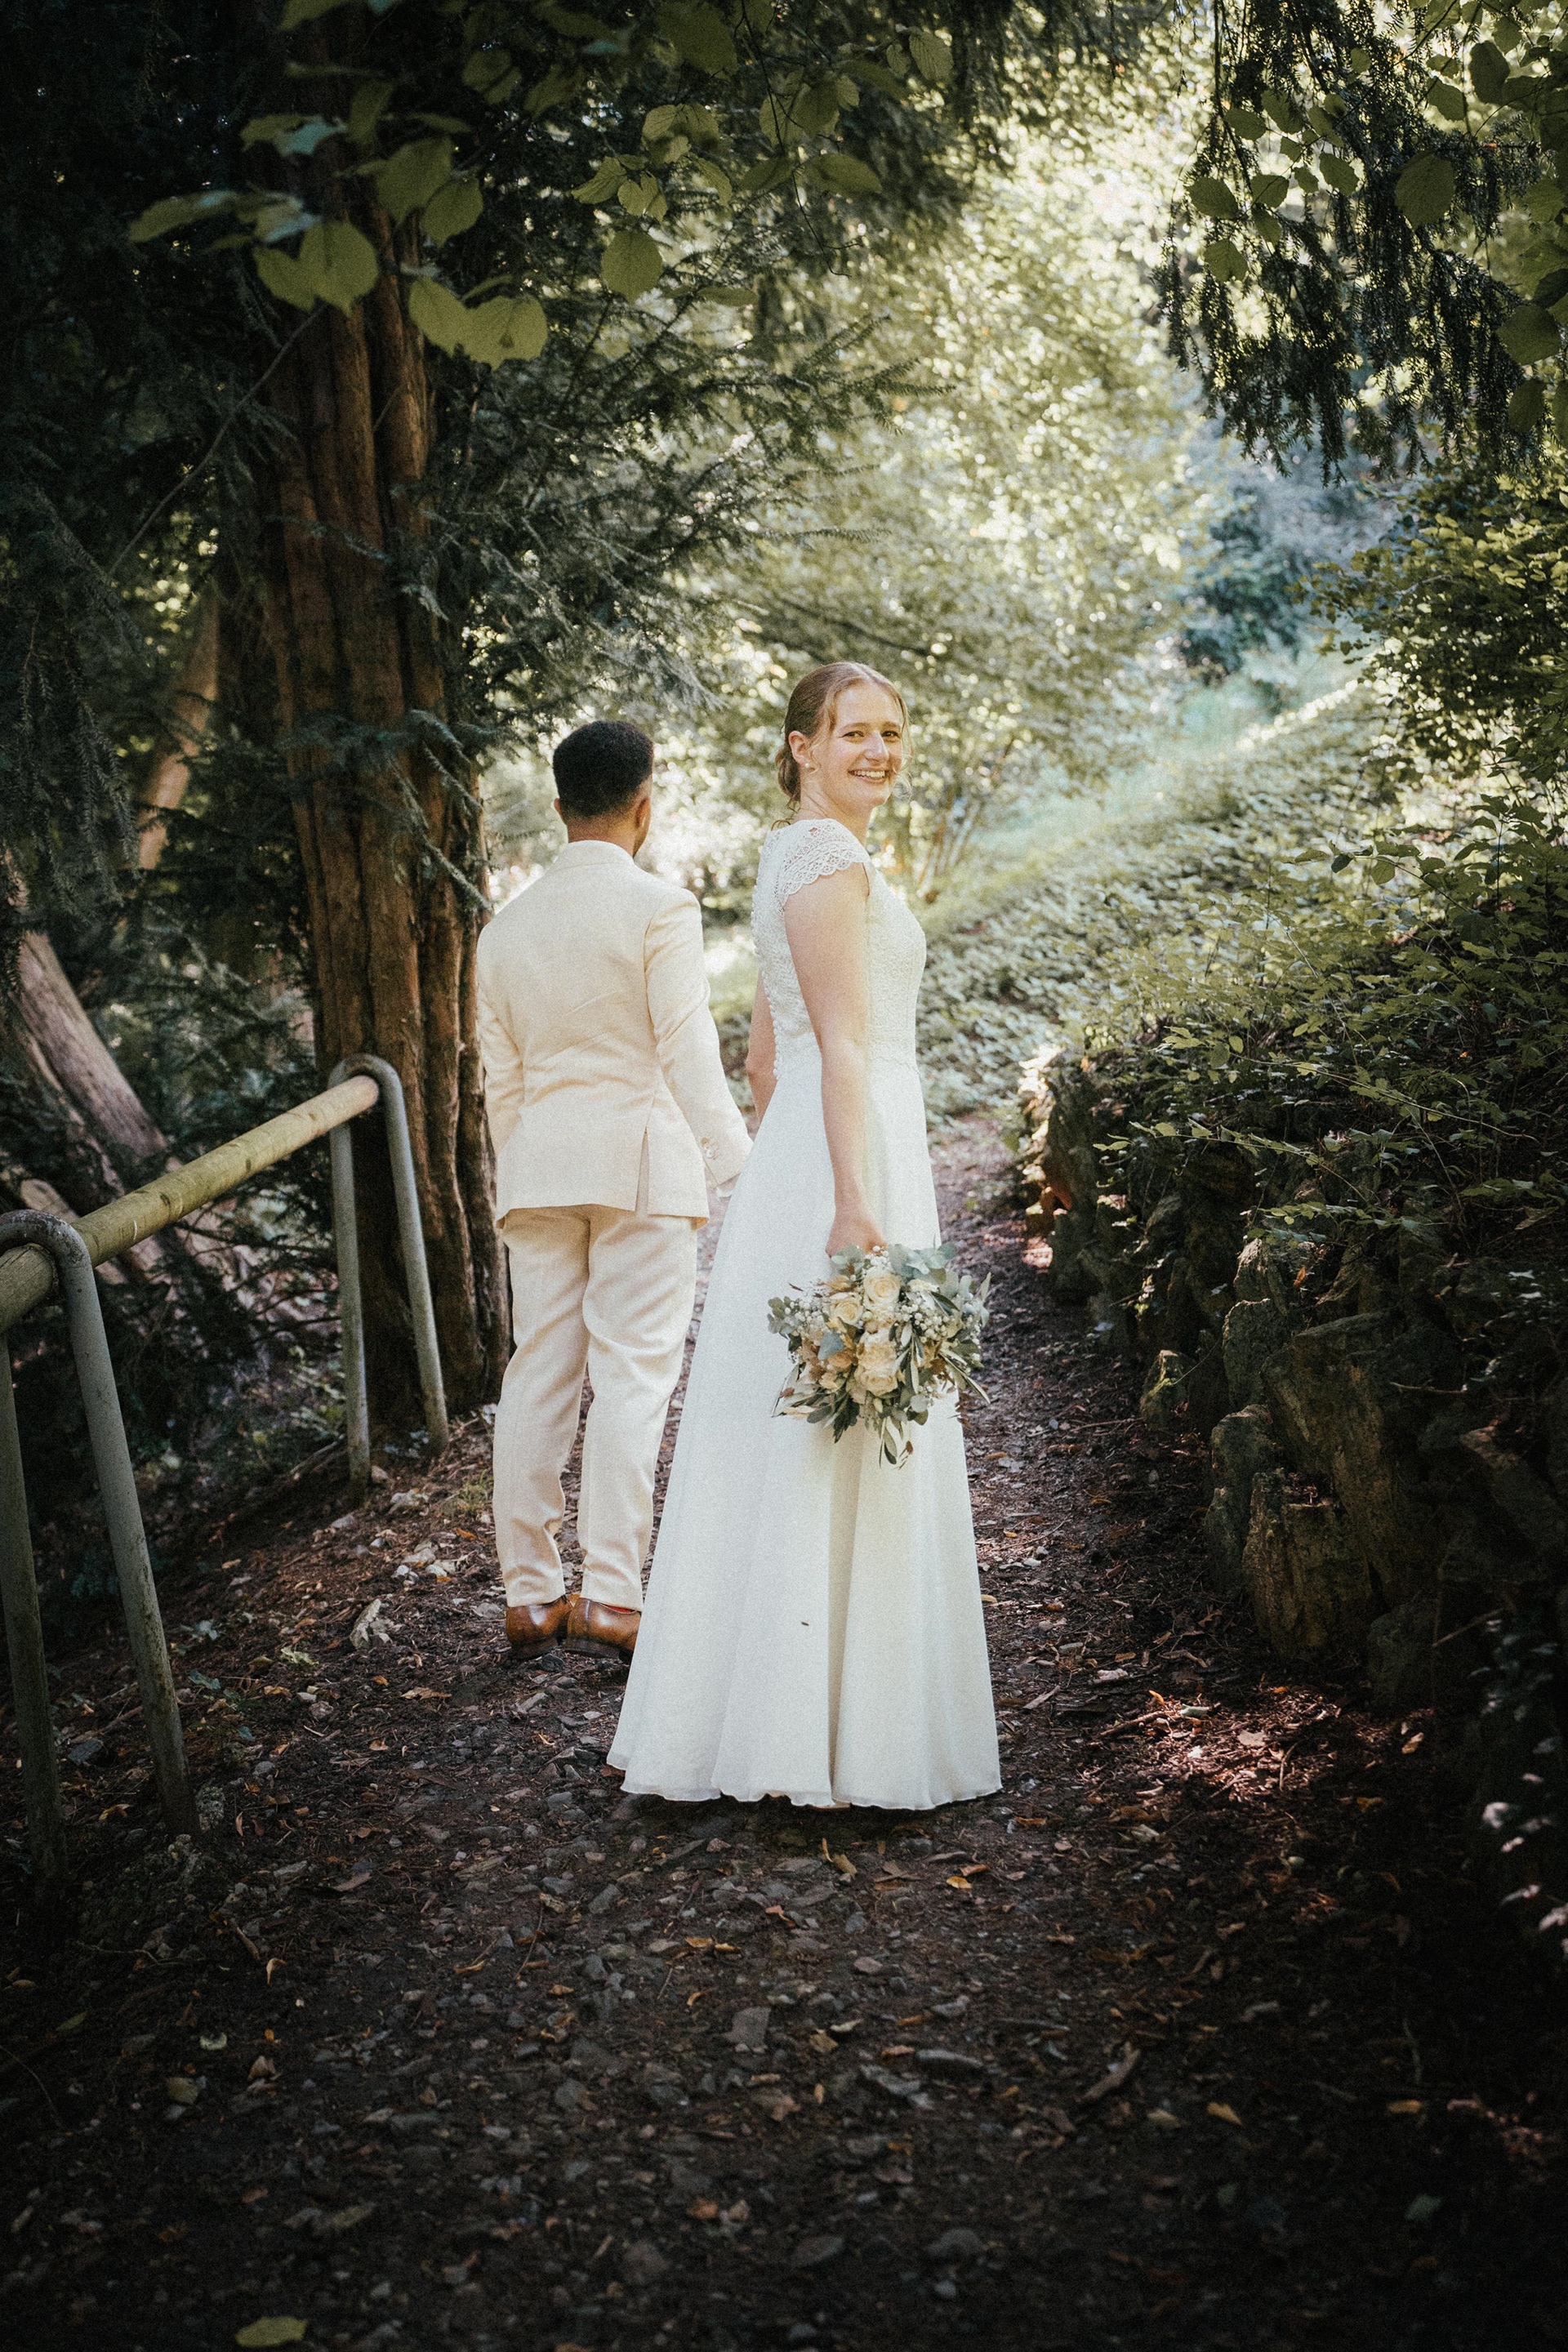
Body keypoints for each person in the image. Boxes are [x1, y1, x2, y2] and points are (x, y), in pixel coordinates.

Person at [608, 665, 1000, 1810]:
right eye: (856, 733)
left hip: (818, 1150)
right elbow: (836, 1046)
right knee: (844, 1425)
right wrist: (853, 1199)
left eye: (893, 733)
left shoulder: (797, 850)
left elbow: (764, 1061)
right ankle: (838, 1740)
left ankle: (772, 1724)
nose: (880, 751)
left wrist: (795, 1170)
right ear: (803, 746)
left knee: (802, 1427)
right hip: (852, 1157)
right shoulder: (828, 857)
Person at [476, 719, 751, 1665]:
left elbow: (501, 1085)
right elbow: (686, 1049)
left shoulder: (502, 932)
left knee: (538, 1371)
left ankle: (528, 1596)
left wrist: (526, 1167)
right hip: (641, 1164)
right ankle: (613, 1596)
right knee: (633, 1373)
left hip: (538, 1168)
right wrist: (739, 1166)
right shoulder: (660, 907)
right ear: (646, 806)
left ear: (560, 808)